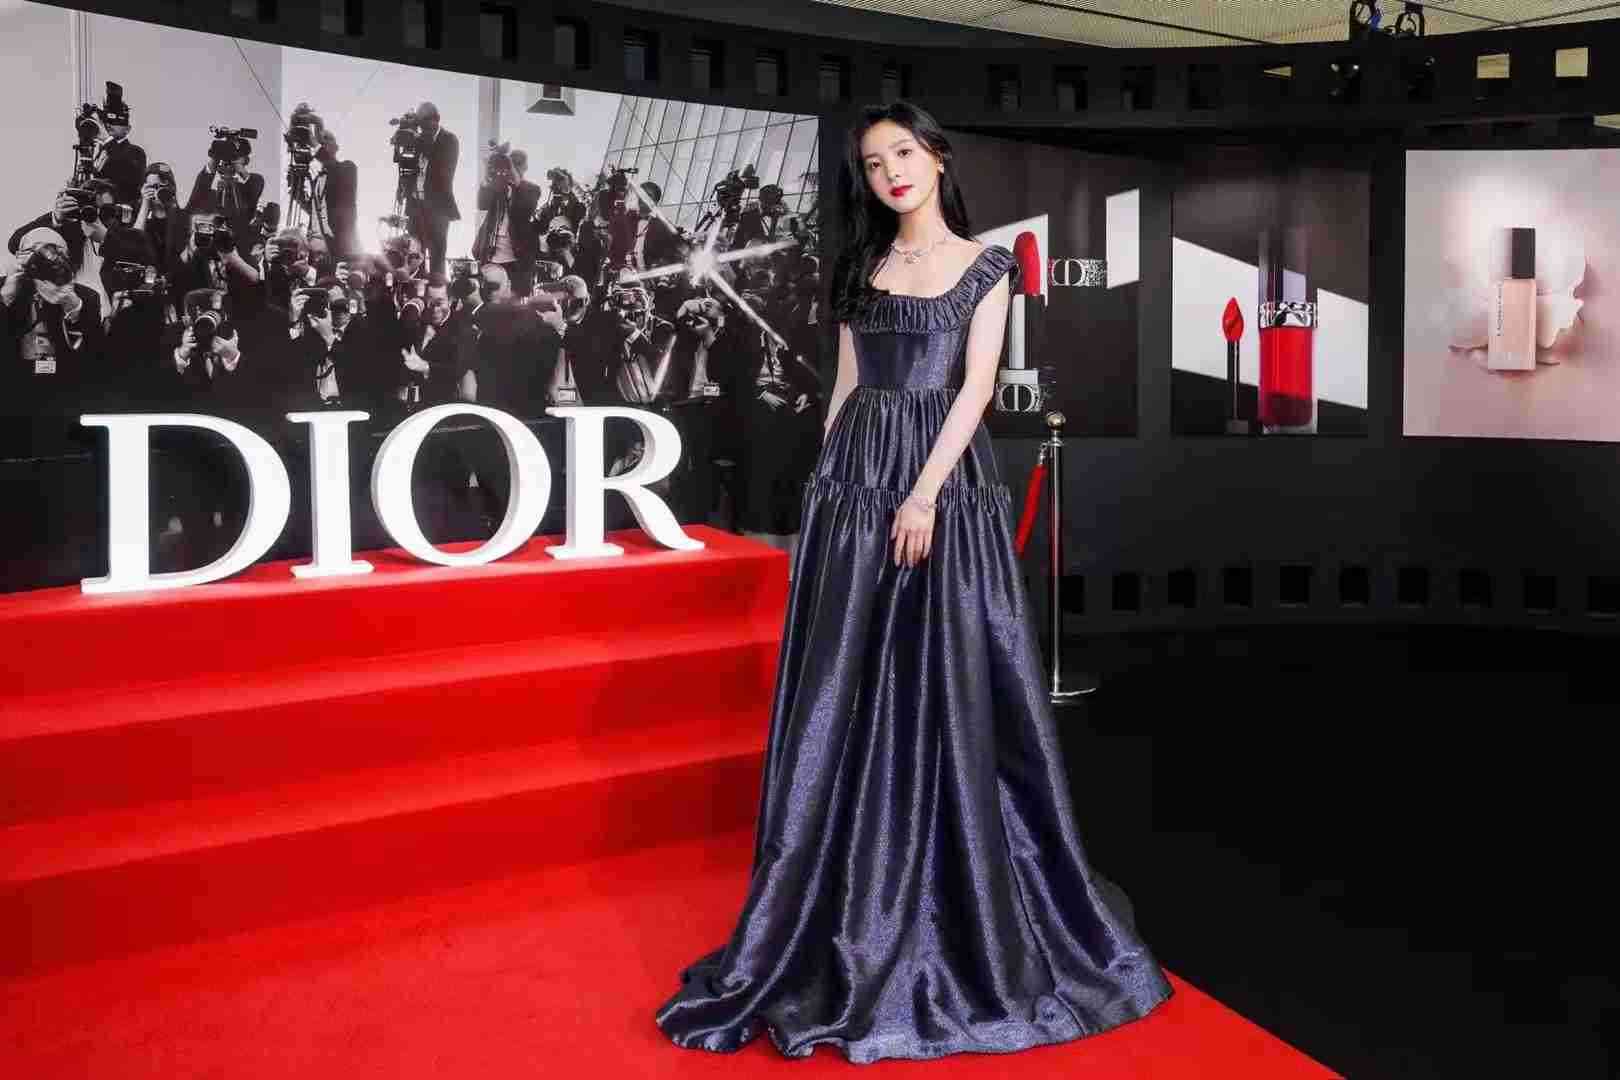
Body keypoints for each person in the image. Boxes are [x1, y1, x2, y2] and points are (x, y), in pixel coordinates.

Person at [654, 101, 1174, 1063]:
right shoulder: (861, 266)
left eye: (903, 152)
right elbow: (850, 383)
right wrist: (827, 481)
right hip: (855, 485)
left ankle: (950, 890)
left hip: (939, 481)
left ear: (937, 157)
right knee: (843, 681)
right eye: (872, 161)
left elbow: (976, 387)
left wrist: (925, 494)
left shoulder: (987, 265)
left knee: (944, 677)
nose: (890, 170)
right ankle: (837, 892)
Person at [410, 101, 460, 276]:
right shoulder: (418, 140)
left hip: (438, 207)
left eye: (425, 124)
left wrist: (421, 141)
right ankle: (415, 289)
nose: (423, 129)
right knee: (414, 254)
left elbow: (443, 172)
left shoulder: (449, 139)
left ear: (436, 119)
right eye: (420, 125)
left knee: (437, 255)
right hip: (416, 205)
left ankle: (436, 290)